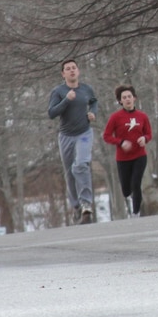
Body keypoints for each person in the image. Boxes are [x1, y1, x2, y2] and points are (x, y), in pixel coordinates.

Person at [47, 59, 98, 224]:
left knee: (81, 165)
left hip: (84, 133)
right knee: (70, 173)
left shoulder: (86, 89)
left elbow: (94, 101)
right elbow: (52, 113)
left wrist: (92, 113)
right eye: (68, 69)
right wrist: (67, 100)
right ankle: (76, 206)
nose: (71, 71)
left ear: (78, 71)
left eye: (74, 68)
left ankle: (86, 205)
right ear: (63, 74)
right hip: (66, 136)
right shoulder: (59, 91)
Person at [102, 85, 153, 218]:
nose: (127, 99)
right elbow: (106, 136)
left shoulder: (142, 116)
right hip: (123, 158)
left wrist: (144, 138)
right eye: (124, 98)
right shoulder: (115, 117)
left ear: (134, 98)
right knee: (126, 190)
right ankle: (131, 199)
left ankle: (136, 213)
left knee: (136, 183)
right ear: (120, 101)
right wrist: (121, 142)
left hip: (140, 155)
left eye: (129, 96)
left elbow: (149, 134)